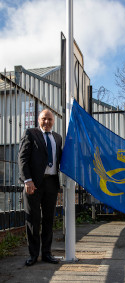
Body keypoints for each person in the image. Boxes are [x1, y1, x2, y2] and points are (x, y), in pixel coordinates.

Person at [18, 109, 62, 266]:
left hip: (51, 183)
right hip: (33, 184)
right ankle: (33, 255)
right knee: (33, 220)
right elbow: (22, 158)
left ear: (53, 121)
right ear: (38, 120)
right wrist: (27, 180)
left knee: (49, 219)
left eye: (50, 119)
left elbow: (60, 159)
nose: (47, 122)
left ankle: (47, 253)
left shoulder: (58, 138)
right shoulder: (30, 133)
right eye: (44, 119)